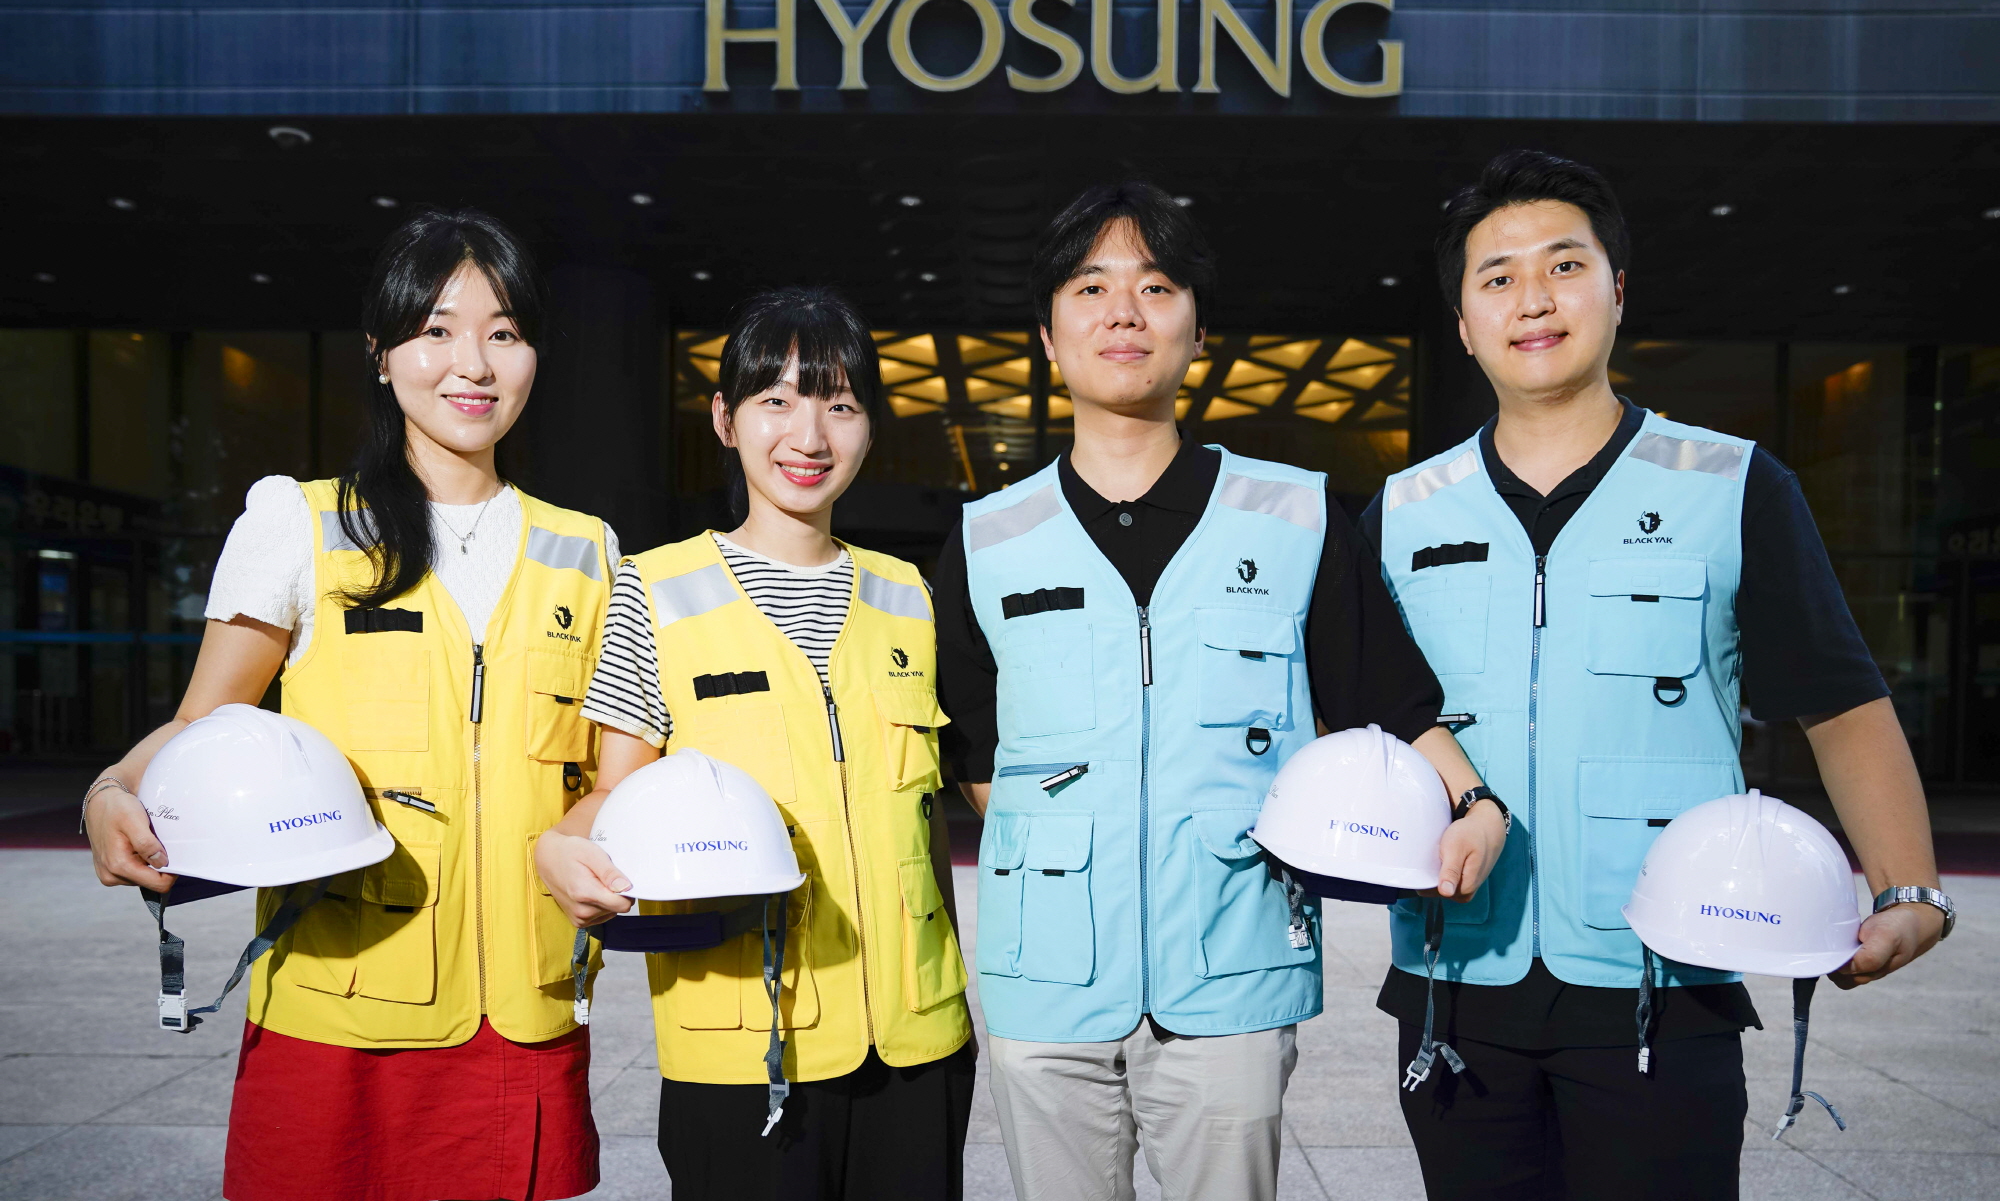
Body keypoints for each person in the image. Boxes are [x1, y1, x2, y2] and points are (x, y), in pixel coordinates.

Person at [1363, 149, 1952, 1199]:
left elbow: (1840, 703)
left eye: (1564, 265)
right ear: (1462, 322)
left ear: (1617, 289)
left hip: (1664, 980)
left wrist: (1908, 891)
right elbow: (1373, 715)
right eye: (1497, 277)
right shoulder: (1401, 513)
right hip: (1455, 989)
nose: (1532, 299)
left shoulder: (1730, 486)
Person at [932, 181, 1509, 1201]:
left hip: (1233, 971)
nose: (1123, 311)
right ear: (1049, 337)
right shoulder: (987, 539)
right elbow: (974, 755)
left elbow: (1386, 697)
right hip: (1045, 985)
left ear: (1197, 332)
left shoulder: (1293, 517)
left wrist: (1473, 798)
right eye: (1090, 288)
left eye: (1155, 287)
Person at [79, 207, 617, 1201]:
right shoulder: (300, 522)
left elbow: (607, 777)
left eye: (504, 332)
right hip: (336, 1009)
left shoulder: (587, 551)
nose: (473, 363)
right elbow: (202, 723)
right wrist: (108, 790)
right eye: (437, 329)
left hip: (520, 1017)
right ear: (380, 351)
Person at [534, 287, 976, 1201]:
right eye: (776, 399)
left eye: (839, 404)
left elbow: (928, 819)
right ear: (724, 419)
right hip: (740, 1045)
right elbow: (615, 796)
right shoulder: (655, 590)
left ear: (869, 427)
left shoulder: (910, 596)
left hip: (918, 1040)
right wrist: (557, 845)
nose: (808, 435)